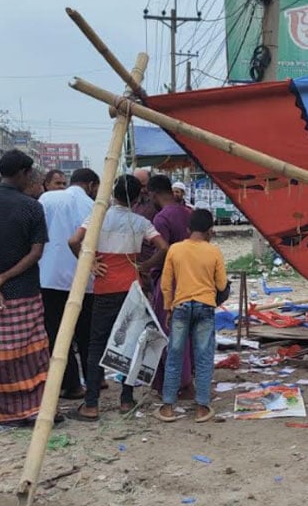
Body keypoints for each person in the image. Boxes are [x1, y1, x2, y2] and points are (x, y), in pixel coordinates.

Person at [66, 175, 168, 422]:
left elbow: (73, 241)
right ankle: (126, 399)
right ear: (137, 197)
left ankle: (91, 404)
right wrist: (145, 266)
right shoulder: (141, 222)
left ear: (113, 193)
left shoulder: (98, 217)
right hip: (131, 289)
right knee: (130, 343)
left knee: (96, 345)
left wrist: (90, 263)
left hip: (104, 289)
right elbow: (164, 247)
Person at [0, 150, 57, 426]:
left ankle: (3, 411)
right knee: (32, 352)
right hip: (25, 291)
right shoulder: (32, 207)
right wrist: (3, 278)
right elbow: (36, 252)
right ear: (23, 173)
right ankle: (33, 408)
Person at [156, 209, 227, 423]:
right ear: (210, 230)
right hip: (205, 307)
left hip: (181, 306)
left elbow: (166, 283)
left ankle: (168, 407)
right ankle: (202, 408)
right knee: (204, 357)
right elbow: (221, 284)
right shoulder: (214, 251)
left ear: (188, 229)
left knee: (175, 355)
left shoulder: (175, 249)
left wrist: (168, 308)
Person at [39, 167, 100, 400]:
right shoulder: (93, 206)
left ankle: (71, 384)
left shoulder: (47, 199)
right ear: (91, 185)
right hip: (84, 278)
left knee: (57, 335)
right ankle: (95, 381)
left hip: (50, 277)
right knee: (87, 335)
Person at [147, 174, 194, 395]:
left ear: (154, 194)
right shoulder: (189, 213)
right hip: (192, 278)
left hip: (170, 281)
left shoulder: (162, 218)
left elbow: (163, 250)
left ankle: (180, 383)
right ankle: (186, 379)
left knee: (169, 332)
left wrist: (144, 265)